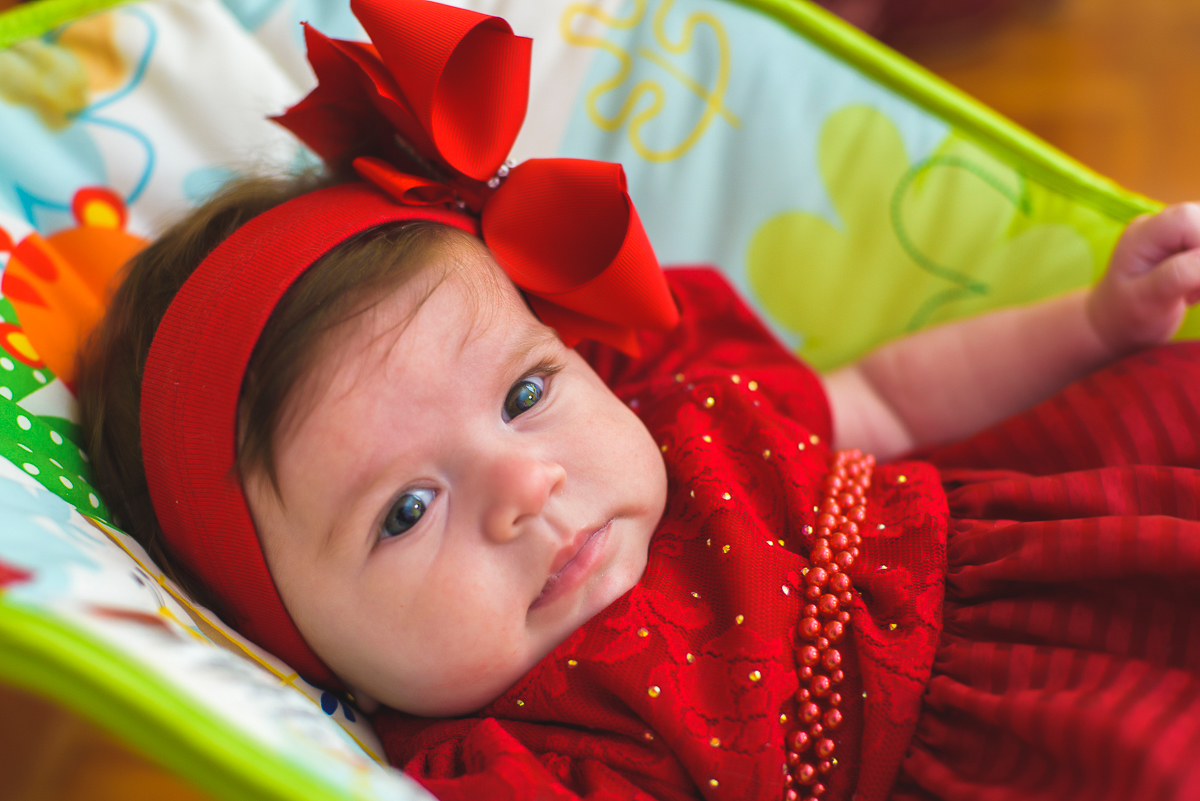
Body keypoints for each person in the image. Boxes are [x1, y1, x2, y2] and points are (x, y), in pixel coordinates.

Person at [76, 0, 1200, 799]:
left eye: (524, 391)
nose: (527, 484)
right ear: (293, 640)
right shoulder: (515, 758)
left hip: (1075, 559)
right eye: (405, 512)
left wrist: (1091, 326)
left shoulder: (687, 410)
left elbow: (895, 401)